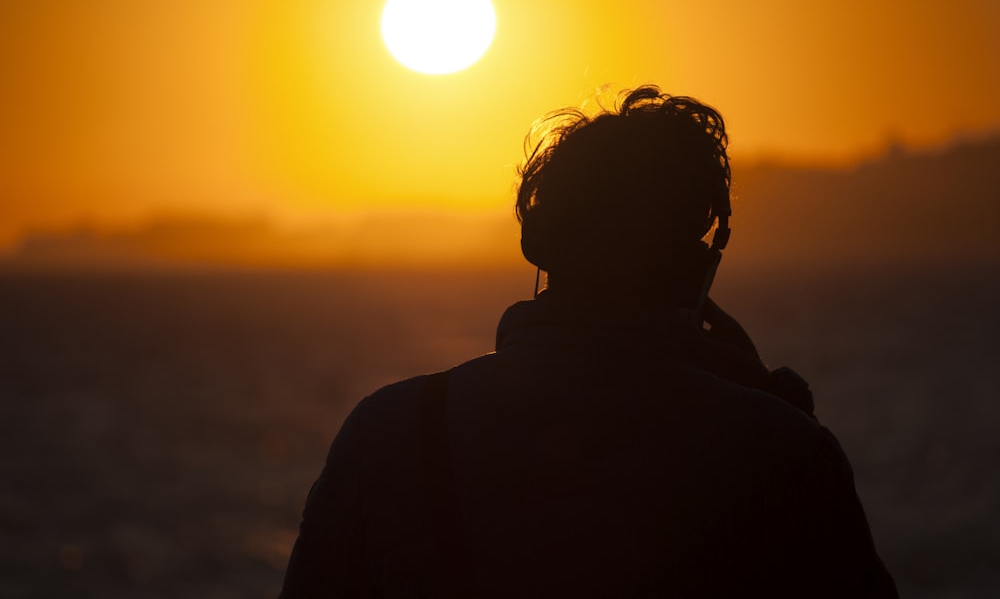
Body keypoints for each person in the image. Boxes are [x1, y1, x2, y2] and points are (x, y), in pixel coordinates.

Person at [280, 86, 898, 597]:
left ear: (538, 241)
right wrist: (770, 407)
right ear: (697, 260)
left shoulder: (388, 431)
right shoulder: (782, 450)